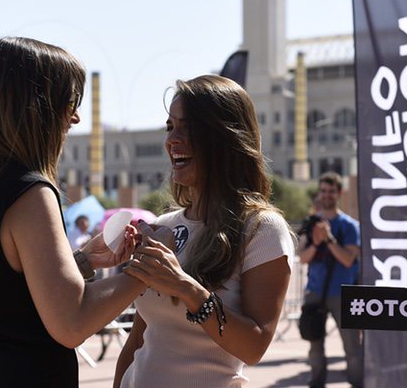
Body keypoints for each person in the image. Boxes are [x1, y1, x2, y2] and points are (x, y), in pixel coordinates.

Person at [0, 37, 146, 387]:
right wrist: (148, 269)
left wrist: (83, 260)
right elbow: (71, 322)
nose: (75, 117)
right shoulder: (28, 193)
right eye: (70, 101)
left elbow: (2, 295)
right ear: (38, 106)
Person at [114, 75, 294, 388]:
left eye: (189, 128)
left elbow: (254, 346)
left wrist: (185, 287)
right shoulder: (165, 226)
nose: (172, 140)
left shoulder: (262, 229)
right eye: (170, 127)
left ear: (226, 137)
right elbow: (138, 341)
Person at [297, 172, 362, 388]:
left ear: (339, 193)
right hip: (315, 291)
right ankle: (316, 383)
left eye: (331, 191)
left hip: (343, 294)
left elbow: (347, 259)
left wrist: (329, 238)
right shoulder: (311, 223)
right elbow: (302, 257)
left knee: (352, 346)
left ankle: (357, 383)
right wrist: (316, 243)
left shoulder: (350, 226)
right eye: (323, 191)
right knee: (314, 344)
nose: (326, 195)